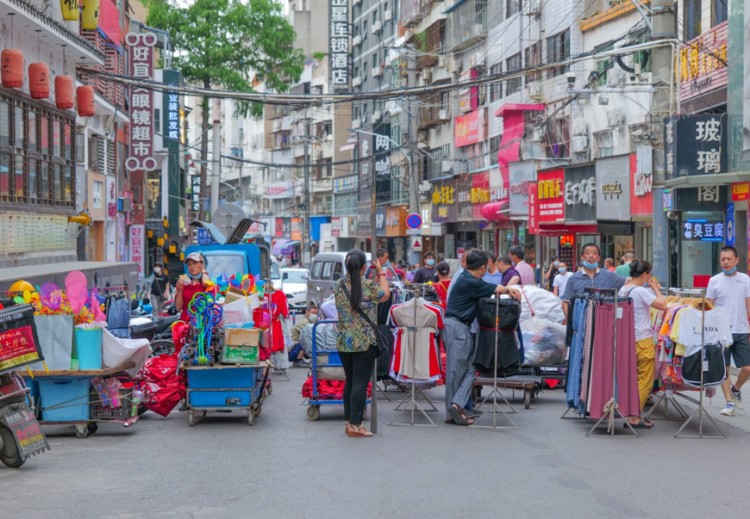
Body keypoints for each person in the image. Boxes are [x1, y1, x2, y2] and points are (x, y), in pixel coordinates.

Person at [443, 249, 521, 425]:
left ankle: (456, 406)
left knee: (469, 368)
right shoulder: (471, 281)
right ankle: (453, 410)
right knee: (457, 372)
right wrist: (512, 289)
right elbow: (499, 289)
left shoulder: (466, 277)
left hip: (457, 326)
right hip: (457, 327)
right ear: (483, 266)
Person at [334, 249, 390, 437]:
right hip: (364, 342)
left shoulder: (338, 285)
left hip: (343, 341)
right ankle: (355, 425)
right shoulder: (369, 286)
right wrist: (381, 271)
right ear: (364, 267)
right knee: (359, 382)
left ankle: (350, 422)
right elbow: (386, 294)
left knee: (350, 381)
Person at [618, 260, 667, 428]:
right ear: (645, 274)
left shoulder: (624, 289)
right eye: (649, 274)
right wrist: (655, 288)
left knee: (630, 378)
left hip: (627, 339)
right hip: (642, 339)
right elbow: (663, 305)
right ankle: (633, 416)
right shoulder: (640, 291)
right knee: (645, 380)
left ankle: (629, 411)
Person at [706, 246, 750, 417]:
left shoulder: (745, 279)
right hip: (721, 332)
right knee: (724, 368)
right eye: (722, 259)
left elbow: (748, 303)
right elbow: (708, 305)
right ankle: (729, 402)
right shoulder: (714, 281)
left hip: (741, 330)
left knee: (747, 368)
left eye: (728, 259)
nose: (725, 262)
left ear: (737, 260)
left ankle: (736, 389)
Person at [561, 243, 626, 322]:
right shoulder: (574, 278)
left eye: (594, 253)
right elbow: (565, 302)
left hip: (604, 321)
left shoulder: (609, 275)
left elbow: (628, 282)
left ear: (598, 258)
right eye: (587, 253)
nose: (591, 256)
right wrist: (573, 322)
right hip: (582, 323)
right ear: (582, 257)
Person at [175, 252, 215, 324]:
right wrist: (180, 291)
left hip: (202, 323)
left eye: (195, 263)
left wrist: (203, 270)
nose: (192, 266)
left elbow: (206, 283)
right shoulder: (184, 283)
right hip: (186, 323)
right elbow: (178, 308)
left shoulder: (208, 281)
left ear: (202, 264)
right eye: (189, 264)